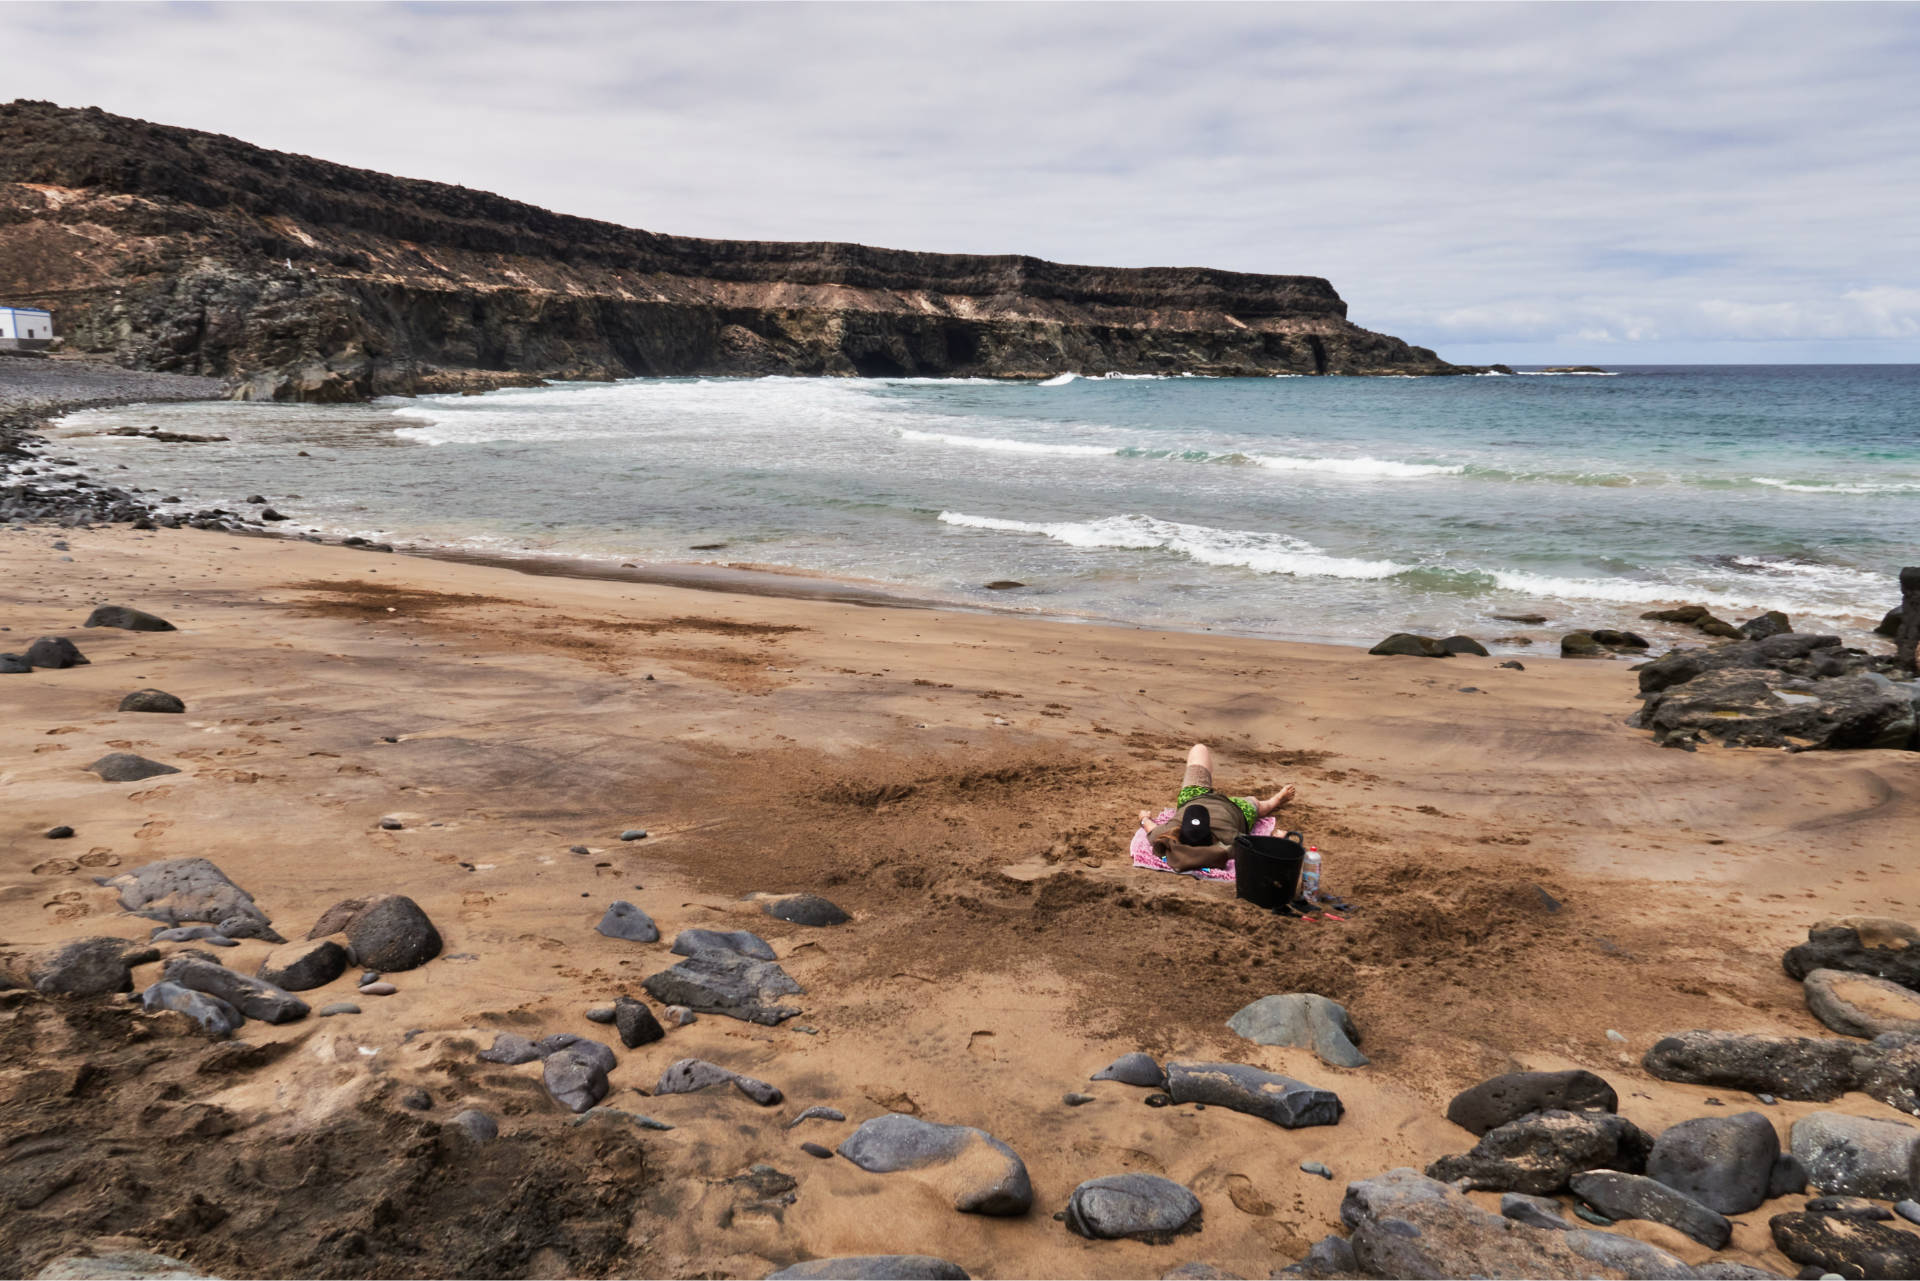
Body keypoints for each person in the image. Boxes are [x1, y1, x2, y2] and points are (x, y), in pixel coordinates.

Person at [1140, 743, 1295, 872]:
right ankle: (1276, 800)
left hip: (1195, 796)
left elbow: (1150, 828)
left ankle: (1274, 801)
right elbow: (1259, 848)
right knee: (1258, 805)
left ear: (1181, 830)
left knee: (1198, 750)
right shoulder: (1229, 839)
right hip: (1234, 808)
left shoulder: (1169, 833)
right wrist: (1278, 839)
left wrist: (1144, 817)